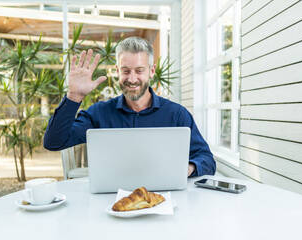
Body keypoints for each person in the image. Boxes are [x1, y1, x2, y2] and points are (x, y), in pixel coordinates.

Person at [44, 37, 216, 177]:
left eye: (139, 70)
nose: (132, 79)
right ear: (117, 71)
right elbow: (53, 142)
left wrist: (189, 167)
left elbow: (206, 159)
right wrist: (74, 96)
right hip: (110, 201)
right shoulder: (99, 113)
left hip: (162, 198)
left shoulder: (176, 114)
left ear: (152, 71)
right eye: (126, 71)